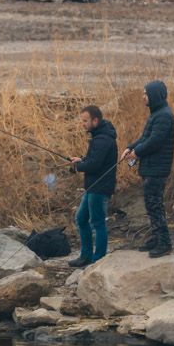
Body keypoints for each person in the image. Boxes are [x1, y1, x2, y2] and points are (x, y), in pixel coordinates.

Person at [122, 80, 174, 258]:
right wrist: (130, 147)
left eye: (145, 93)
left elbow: (154, 142)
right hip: (151, 167)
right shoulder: (157, 114)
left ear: (154, 95)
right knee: (151, 205)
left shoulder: (164, 116)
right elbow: (145, 137)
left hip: (157, 169)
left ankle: (164, 243)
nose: (143, 96)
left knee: (154, 205)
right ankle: (156, 238)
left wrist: (136, 153)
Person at [68, 105, 117, 267]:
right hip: (93, 187)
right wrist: (81, 160)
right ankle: (86, 256)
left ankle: (98, 260)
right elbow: (94, 159)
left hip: (100, 188)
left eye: (85, 121)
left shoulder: (103, 140)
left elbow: (95, 165)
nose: (82, 124)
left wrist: (79, 166)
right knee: (81, 219)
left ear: (95, 121)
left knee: (98, 223)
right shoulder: (99, 137)